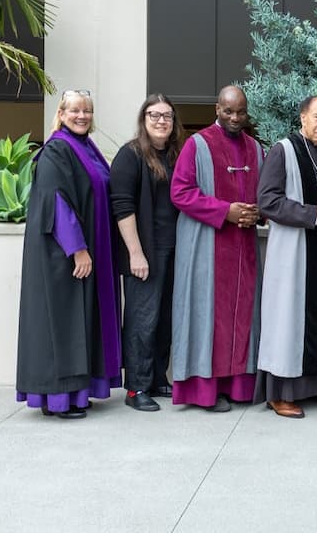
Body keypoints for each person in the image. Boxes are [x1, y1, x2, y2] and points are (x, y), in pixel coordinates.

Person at [15, 89, 121, 419]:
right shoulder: (56, 150)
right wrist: (78, 250)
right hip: (61, 258)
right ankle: (58, 399)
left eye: (87, 110)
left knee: (81, 323)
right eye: (75, 110)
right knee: (61, 326)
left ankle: (78, 394)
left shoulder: (86, 147)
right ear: (61, 113)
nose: (82, 116)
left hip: (86, 253)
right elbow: (57, 202)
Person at [255, 96, 317, 418]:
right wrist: (314, 215)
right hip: (293, 255)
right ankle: (280, 394)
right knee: (289, 320)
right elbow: (267, 202)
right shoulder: (282, 151)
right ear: (302, 118)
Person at [170, 85, 263, 412]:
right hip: (206, 249)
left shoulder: (255, 149)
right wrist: (225, 211)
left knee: (242, 317)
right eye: (228, 111)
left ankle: (238, 388)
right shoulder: (198, 145)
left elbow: (263, 193)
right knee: (210, 317)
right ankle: (207, 392)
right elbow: (180, 193)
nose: (235, 118)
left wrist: (256, 212)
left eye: (240, 111)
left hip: (244, 249)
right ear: (216, 110)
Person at [109, 94, 184, 412]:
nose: (161, 121)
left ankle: (156, 377)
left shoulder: (176, 154)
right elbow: (122, 207)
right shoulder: (131, 155)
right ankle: (136, 387)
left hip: (174, 249)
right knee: (142, 319)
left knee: (165, 318)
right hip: (145, 252)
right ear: (144, 119)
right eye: (154, 115)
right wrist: (135, 254)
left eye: (167, 116)